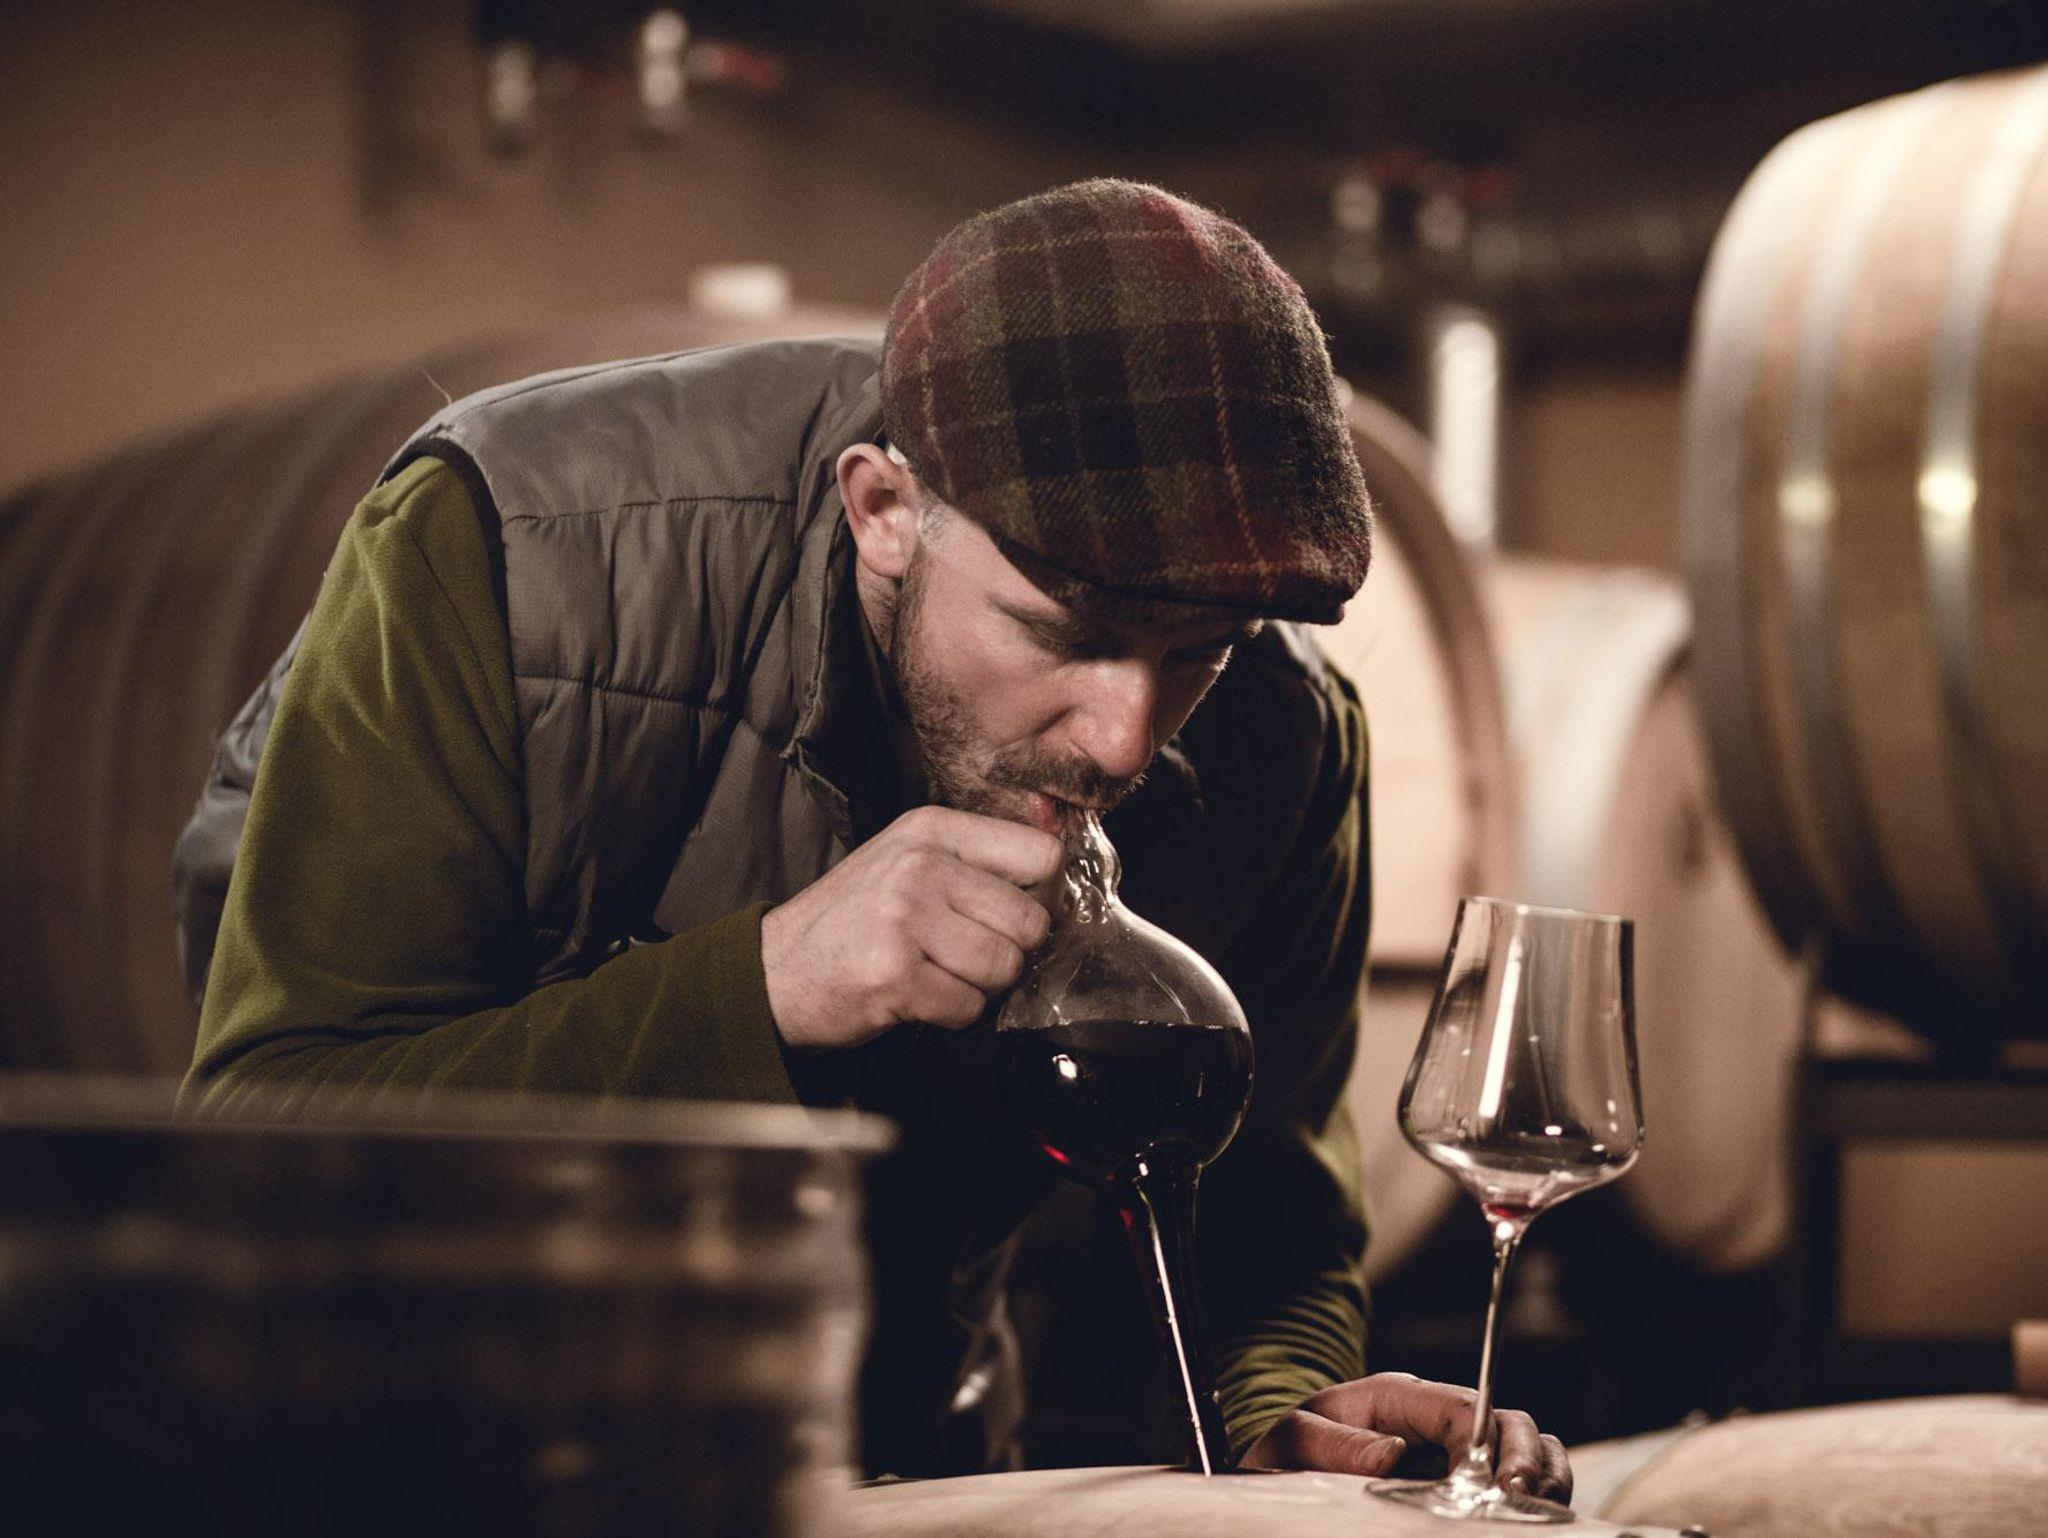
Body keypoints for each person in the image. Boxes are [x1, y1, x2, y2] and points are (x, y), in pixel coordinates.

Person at [176, 179, 1570, 1496]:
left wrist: (1281, 1415)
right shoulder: (510, 551)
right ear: (884, 511)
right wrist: (764, 984)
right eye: (1067, 634)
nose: (1125, 739)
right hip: (456, 1462)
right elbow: (265, 1136)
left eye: (1195, 648)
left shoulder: (1281, 730)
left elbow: (1268, 1229)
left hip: (911, 1458)